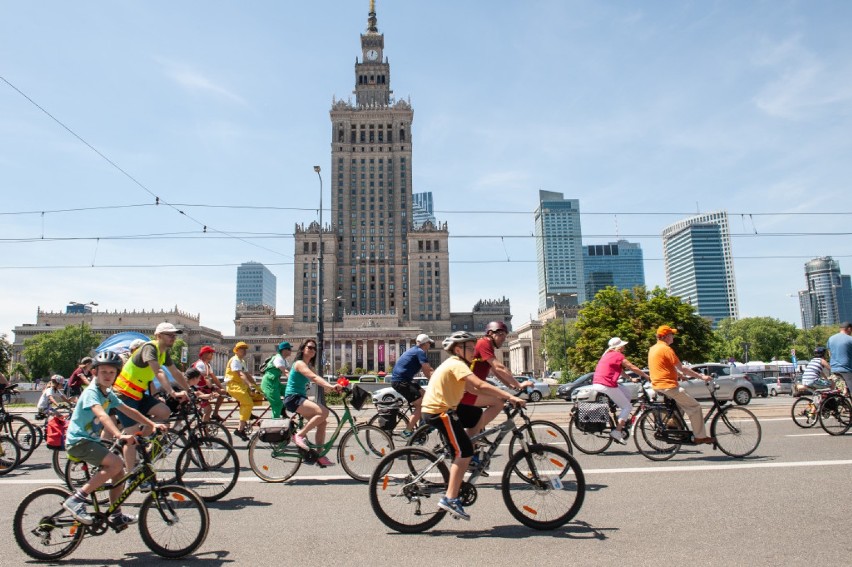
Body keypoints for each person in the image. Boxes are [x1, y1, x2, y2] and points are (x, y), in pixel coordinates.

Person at [421, 331, 525, 521]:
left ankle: (457, 482)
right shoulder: (456, 364)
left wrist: (500, 398)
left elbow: (473, 388)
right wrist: (510, 396)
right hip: (439, 412)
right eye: (469, 348)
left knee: (465, 442)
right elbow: (479, 383)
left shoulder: (459, 365)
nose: (473, 352)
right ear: (458, 349)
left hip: (442, 410)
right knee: (465, 452)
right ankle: (450, 498)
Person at [61, 350, 168, 528]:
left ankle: (116, 515)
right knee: (117, 463)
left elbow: (128, 410)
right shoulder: (92, 393)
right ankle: (76, 499)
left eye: (112, 372)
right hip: (79, 441)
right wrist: (119, 435)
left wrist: (152, 424)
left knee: (120, 473)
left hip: (91, 441)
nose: (108, 375)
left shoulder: (108, 393)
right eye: (103, 372)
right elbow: (102, 416)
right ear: (94, 372)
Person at [113, 322, 189, 470]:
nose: (173, 338)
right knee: (132, 437)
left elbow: (175, 372)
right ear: (158, 336)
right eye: (169, 335)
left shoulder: (163, 353)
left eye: (174, 335)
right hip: (124, 395)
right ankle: (131, 474)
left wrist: (190, 390)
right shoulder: (150, 348)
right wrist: (172, 392)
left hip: (138, 394)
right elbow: (158, 372)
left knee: (164, 412)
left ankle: (143, 440)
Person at [456, 321, 533, 437]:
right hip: (466, 391)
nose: (504, 339)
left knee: (498, 400)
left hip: (470, 390)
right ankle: (472, 436)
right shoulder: (484, 343)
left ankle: (475, 437)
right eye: (501, 335)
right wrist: (519, 384)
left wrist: (510, 386)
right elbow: (499, 367)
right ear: (491, 333)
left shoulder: (488, 347)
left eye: (505, 336)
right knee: (498, 403)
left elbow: (496, 372)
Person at [647, 325, 714, 444]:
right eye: (672, 334)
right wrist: (701, 376)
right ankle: (700, 436)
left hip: (658, 385)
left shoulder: (653, 348)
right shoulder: (666, 349)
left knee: (681, 403)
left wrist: (678, 375)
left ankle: (673, 425)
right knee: (695, 407)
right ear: (666, 336)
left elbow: (662, 367)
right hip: (668, 385)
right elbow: (682, 367)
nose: (673, 337)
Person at [283, 339, 342, 466]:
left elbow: (318, 380)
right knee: (323, 412)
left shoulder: (309, 366)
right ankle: (299, 435)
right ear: (303, 349)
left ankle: (319, 455)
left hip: (300, 397)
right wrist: (330, 386)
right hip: (293, 398)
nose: (312, 350)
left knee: (323, 422)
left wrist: (335, 388)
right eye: (309, 347)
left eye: (314, 349)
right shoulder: (299, 363)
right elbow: (314, 378)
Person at [591, 337, 651, 443]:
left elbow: (621, 370)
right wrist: (646, 376)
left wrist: (630, 378)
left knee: (627, 393)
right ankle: (617, 432)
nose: (624, 347)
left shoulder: (607, 355)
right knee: (628, 406)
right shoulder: (617, 355)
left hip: (599, 383)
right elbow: (631, 367)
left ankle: (621, 418)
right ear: (618, 347)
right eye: (623, 345)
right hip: (606, 384)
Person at [389, 333, 435, 437]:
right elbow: (427, 371)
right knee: (421, 405)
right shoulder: (420, 352)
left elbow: (429, 369)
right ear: (425, 344)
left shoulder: (414, 350)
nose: (429, 346)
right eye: (429, 343)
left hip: (404, 380)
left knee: (426, 396)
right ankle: (407, 431)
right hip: (401, 381)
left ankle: (422, 426)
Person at [227, 341, 262, 441]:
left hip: (240, 385)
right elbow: (240, 374)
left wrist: (257, 387)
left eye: (245, 349)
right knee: (248, 403)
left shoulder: (241, 361)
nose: (244, 351)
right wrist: (250, 385)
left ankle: (248, 414)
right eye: (242, 349)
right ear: (236, 350)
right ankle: (240, 430)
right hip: (233, 385)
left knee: (258, 396)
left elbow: (247, 375)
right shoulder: (235, 360)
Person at [191, 346, 226, 422]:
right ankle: (205, 430)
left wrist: (221, 388)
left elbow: (214, 378)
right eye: (210, 353)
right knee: (208, 410)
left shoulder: (208, 365)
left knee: (223, 392)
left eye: (212, 353)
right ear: (204, 354)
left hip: (204, 388)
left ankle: (215, 414)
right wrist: (213, 389)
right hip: (199, 389)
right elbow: (205, 378)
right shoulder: (200, 364)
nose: (212, 355)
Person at [260, 341, 293, 419]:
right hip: (269, 384)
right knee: (277, 404)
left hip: (276, 383)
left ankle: (283, 410)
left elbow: (292, 371)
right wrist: (294, 381)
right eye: (289, 349)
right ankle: (275, 423)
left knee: (291, 392)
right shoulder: (278, 358)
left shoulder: (284, 360)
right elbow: (285, 372)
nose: (290, 351)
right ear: (284, 350)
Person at [826, 321, 852, 395]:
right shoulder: (850, 339)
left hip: (834, 369)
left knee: (838, 391)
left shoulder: (831, 339)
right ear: (849, 329)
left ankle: (842, 402)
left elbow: (829, 353)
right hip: (846, 369)